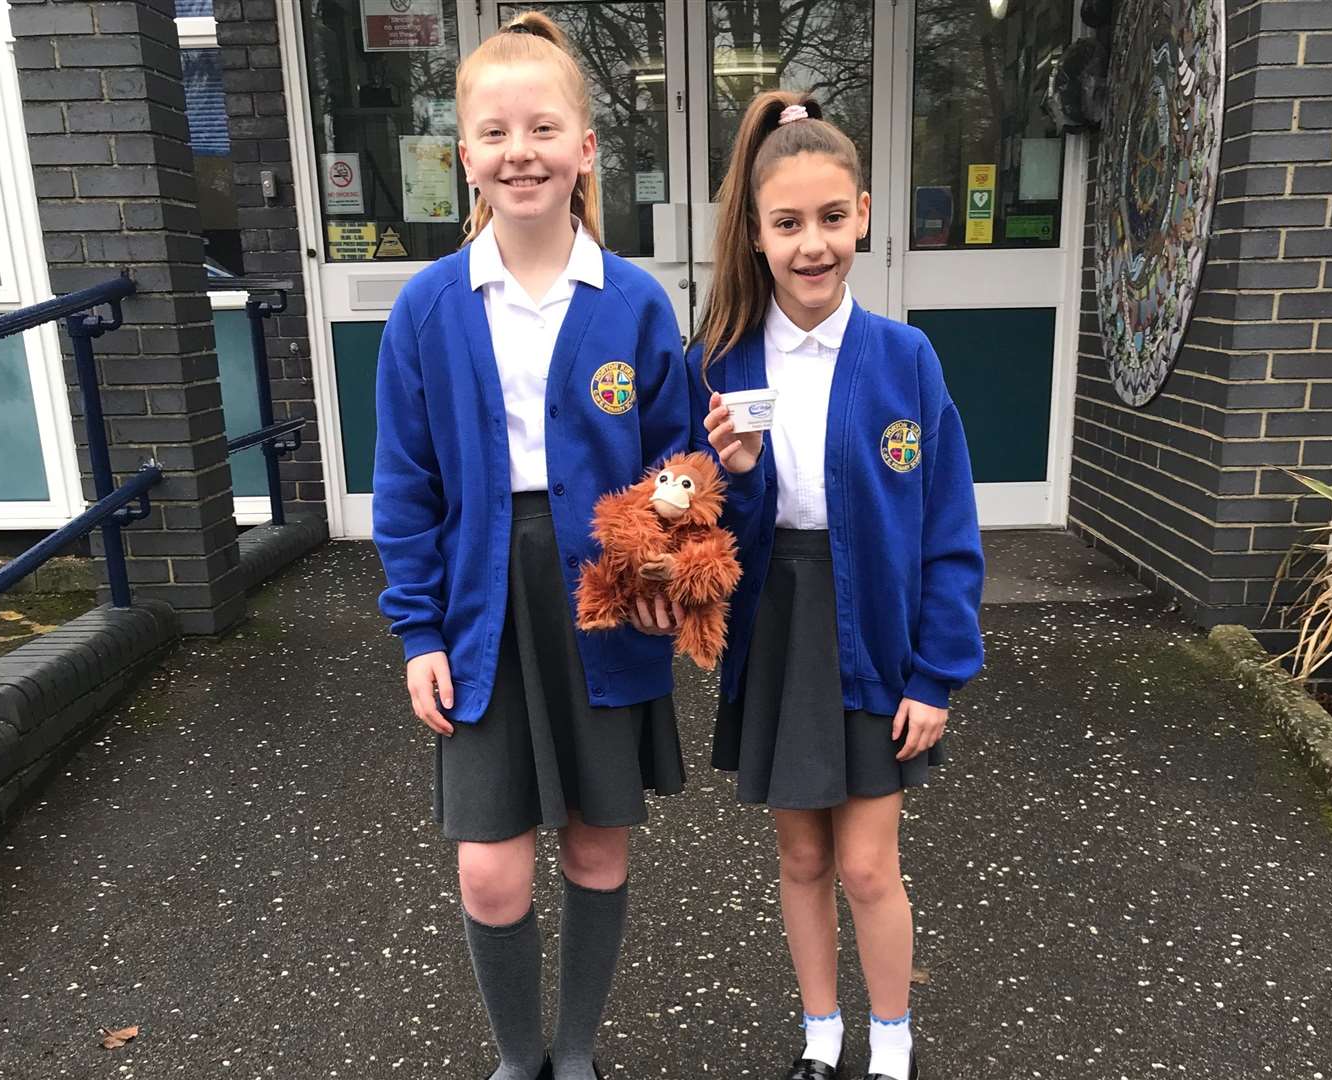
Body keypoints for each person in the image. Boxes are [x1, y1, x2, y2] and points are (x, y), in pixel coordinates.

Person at [372, 13, 689, 1080]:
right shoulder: (426, 311)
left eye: (545, 127)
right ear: (464, 153)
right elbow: (407, 487)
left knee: (598, 841)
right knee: (491, 874)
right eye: (495, 132)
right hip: (479, 600)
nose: (521, 151)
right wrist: (419, 629)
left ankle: (580, 1050)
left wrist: (662, 564)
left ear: (587, 147)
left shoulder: (638, 305)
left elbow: (673, 466)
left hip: (599, 597)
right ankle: (519, 1060)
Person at [688, 90, 985, 1080]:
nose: (811, 245)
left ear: (862, 212)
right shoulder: (722, 362)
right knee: (804, 859)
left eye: (830, 218)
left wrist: (937, 673)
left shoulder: (906, 360)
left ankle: (890, 1044)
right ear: (758, 234)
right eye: (787, 224)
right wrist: (726, 479)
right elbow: (701, 538)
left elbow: (947, 529)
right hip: (779, 627)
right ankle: (822, 1037)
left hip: (877, 633)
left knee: (866, 864)